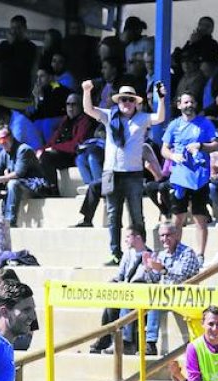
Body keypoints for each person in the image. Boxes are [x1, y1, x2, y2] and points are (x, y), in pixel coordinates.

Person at [83, 81, 168, 264]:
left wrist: (161, 99)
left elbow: (160, 118)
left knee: (136, 214)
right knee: (113, 216)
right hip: (112, 172)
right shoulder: (109, 115)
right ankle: (115, 253)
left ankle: (141, 250)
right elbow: (88, 109)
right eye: (123, 99)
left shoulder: (142, 118)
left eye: (130, 100)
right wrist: (86, 91)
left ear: (135, 102)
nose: (127, 103)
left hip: (133, 173)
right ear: (118, 101)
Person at [162, 92, 218, 261]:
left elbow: (216, 145)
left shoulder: (205, 123)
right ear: (179, 105)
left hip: (200, 177)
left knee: (200, 218)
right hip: (179, 178)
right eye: (186, 102)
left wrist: (200, 146)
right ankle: (174, 253)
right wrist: (173, 156)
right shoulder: (174, 125)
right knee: (177, 219)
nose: (189, 105)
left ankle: (200, 255)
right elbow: (164, 149)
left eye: (192, 102)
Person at [89, 229, 155, 355]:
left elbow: (148, 279)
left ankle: (125, 341)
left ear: (138, 237)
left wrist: (147, 270)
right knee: (109, 307)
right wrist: (113, 282)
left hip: (139, 293)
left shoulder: (150, 255)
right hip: (125, 290)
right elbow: (120, 275)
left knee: (126, 303)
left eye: (128, 236)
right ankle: (105, 338)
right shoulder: (128, 254)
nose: (125, 240)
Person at [142, 223, 202, 353]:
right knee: (148, 302)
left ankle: (150, 341)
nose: (164, 239)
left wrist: (163, 270)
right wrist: (148, 269)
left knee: (156, 300)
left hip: (185, 295)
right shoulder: (161, 254)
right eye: (162, 236)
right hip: (166, 297)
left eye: (168, 235)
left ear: (176, 235)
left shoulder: (187, 253)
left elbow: (183, 276)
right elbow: (154, 280)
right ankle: (148, 343)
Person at [0, 126, 46, 229]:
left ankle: (9, 221)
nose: (2, 142)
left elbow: (18, 173)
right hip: (18, 186)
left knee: (12, 183)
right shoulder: (3, 153)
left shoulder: (23, 150)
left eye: (4, 138)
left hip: (33, 186)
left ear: (11, 136)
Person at [37, 92, 94, 195]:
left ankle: (52, 190)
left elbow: (76, 145)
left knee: (46, 157)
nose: (70, 107)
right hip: (62, 153)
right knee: (38, 156)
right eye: (68, 104)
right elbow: (53, 140)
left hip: (74, 156)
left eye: (74, 104)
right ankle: (40, 187)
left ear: (80, 106)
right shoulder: (65, 120)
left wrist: (54, 148)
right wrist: (41, 150)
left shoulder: (85, 121)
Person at [0, 15, 39, 98]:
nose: (14, 31)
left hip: (21, 90)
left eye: (18, 28)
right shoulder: (4, 44)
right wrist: (10, 44)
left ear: (25, 29)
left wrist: (14, 44)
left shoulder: (30, 47)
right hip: (4, 89)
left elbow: (23, 65)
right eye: (12, 28)